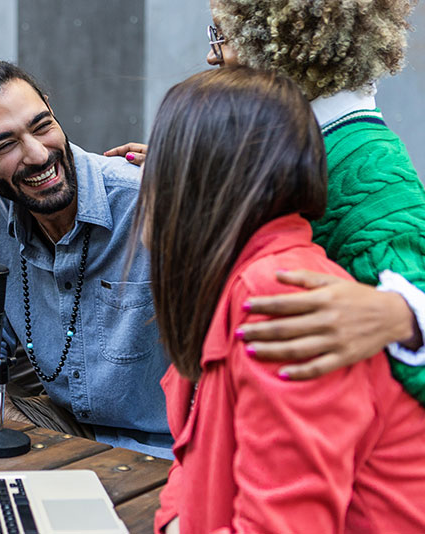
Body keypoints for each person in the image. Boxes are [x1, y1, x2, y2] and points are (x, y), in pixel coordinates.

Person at [141, 66, 425, 534]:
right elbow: (193, 462)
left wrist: (403, 313)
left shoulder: (275, 293)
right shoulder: (242, 279)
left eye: (163, 156)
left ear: (198, 180)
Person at [107, 0, 425, 399]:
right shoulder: (299, 141)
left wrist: (404, 316)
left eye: (221, 36)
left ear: (282, 43)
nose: (211, 55)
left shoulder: (373, 174)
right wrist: (192, 168)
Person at [0, 60, 172, 458]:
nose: (38, 154)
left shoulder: (149, 200)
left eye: (42, 125)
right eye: (5, 144)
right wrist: (22, 432)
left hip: (169, 444)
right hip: (65, 431)